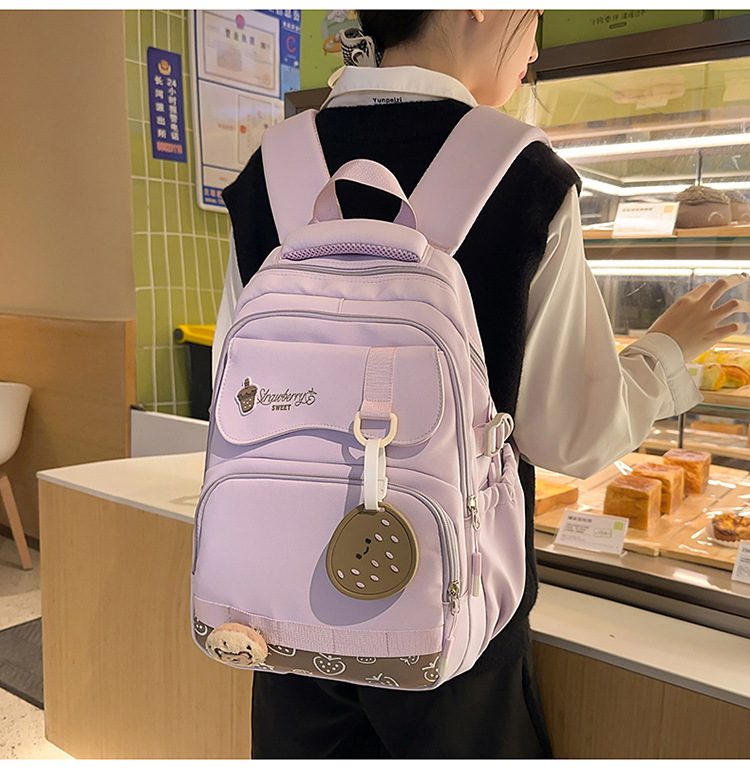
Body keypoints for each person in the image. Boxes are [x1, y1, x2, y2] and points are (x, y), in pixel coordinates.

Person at [213, 9, 750, 759]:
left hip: (279, 609)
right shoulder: (523, 172)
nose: (535, 44)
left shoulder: (270, 168)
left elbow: (232, 386)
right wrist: (665, 352)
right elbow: (571, 434)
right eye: (535, 17)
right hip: (452, 622)